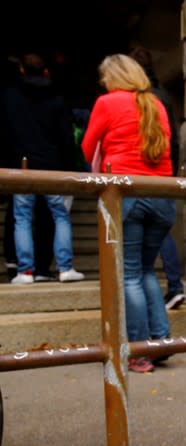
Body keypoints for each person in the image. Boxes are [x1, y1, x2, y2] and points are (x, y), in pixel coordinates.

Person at [81, 54, 174, 373]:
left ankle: (138, 351)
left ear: (114, 78)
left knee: (130, 274)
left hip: (127, 193)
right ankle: (161, 340)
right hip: (162, 196)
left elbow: (87, 146)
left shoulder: (107, 103)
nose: (103, 84)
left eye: (105, 78)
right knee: (147, 270)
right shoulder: (156, 104)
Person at [0, 53, 84, 284]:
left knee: (23, 217)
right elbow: (66, 137)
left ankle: (25, 271)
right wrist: (69, 166)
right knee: (59, 215)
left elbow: (5, 132)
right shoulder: (57, 99)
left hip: (22, 165)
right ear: (46, 71)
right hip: (52, 165)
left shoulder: (10, 97)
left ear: (22, 71)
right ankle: (65, 268)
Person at [129, 47, 185, 310]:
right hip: (162, 175)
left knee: (140, 265)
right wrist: (170, 173)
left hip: (140, 176)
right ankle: (175, 286)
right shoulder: (161, 96)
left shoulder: (138, 99)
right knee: (162, 235)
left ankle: (173, 287)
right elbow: (173, 139)